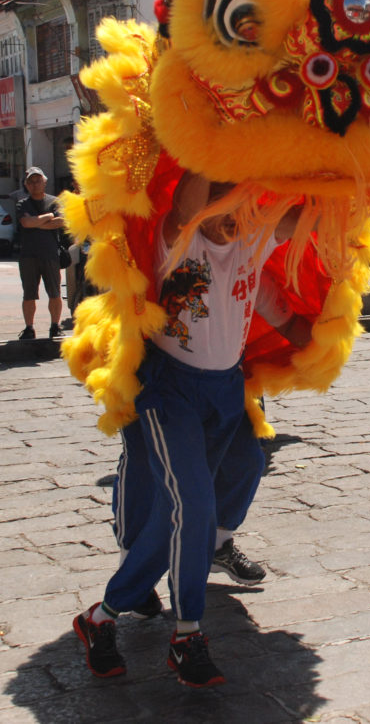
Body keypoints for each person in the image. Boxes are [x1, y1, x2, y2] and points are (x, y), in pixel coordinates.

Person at [73, 173, 301, 688]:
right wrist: (210, 133)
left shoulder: (254, 234)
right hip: (168, 391)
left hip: (225, 395)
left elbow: (305, 218)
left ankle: (100, 619)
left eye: (237, 204)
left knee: (190, 513)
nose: (226, 217)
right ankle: (187, 634)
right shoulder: (177, 239)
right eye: (216, 203)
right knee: (189, 506)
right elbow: (186, 203)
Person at [15, 167, 64, 339]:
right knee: (29, 294)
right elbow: (26, 223)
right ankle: (29, 328)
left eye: (38, 180)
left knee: (55, 292)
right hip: (28, 255)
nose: (35, 184)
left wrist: (37, 222)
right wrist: (47, 216)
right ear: (26, 185)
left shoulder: (55, 201)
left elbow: (60, 221)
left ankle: (55, 326)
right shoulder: (22, 203)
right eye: (31, 181)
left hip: (50, 254)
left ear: (45, 181)